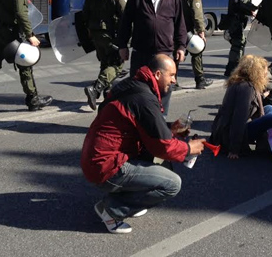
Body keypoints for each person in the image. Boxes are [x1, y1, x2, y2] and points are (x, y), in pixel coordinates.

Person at [81, 54, 205, 234]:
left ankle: (123, 200)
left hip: (96, 158)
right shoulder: (144, 98)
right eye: (171, 75)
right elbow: (161, 146)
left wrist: (170, 128)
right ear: (157, 74)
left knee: (164, 165)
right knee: (172, 183)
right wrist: (188, 149)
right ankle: (111, 211)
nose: (174, 81)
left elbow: (145, 129)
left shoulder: (133, 85)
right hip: (105, 164)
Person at [117, 0, 186, 118]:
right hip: (141, 53)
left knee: (164, 90)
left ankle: (160, 121)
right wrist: (122, 46)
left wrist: (181, 47)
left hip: (164, 54)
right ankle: (137, 122)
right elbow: (125, 22)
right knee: (138, 89)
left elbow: (180, 25)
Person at [210, 55, 272, 159]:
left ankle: (266, 138)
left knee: (269, 109)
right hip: (228, 133)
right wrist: (234, 149)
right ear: (257, 73)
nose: (267, 74)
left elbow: (256, 106)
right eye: (265, 72)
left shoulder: (244, 83)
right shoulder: (246, 89)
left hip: (228, 128)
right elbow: (238, 119)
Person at [81, 0, 128, 110]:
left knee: (105, 63)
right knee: (117, 65)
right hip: (111, 34)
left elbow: (84, 14)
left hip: (95, 33)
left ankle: (108, 93)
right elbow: (125, 15)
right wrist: (127, 37)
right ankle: (95, 89)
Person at [178, 0, 213, 89]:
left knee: (176, 54)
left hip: (177, 29)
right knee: (197, 52)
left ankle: (172, 81)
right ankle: (200, 80)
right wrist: (201, 32)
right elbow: (197, 15)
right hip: (189, 30)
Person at [224, 0, 257, 77]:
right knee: (239, 44)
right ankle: (234, 69)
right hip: (237, 21)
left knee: (237, 44)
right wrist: (253, 10)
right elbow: (243, 3)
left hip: (234, 21)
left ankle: (231, 68)